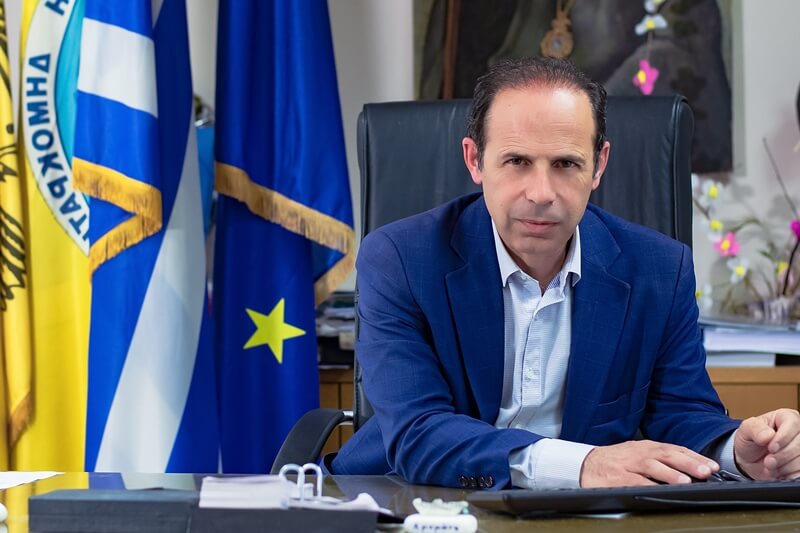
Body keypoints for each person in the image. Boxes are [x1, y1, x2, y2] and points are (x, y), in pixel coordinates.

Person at [330, 57, 800, 490]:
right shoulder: (399, 259)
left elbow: (681, 414)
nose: (541, 192)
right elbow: (418, 432)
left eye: (566, 164)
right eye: (517, 161)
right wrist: (583, 464)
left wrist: (737, 452)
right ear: (475, 160)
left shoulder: (660, 269)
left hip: (585, 515)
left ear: (598, 166)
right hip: (414, 500)